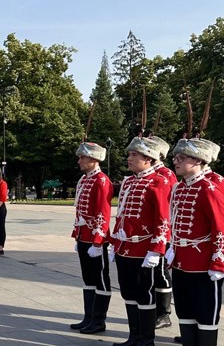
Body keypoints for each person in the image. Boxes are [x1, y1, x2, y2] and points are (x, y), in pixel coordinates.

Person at [166, 137, 224, 346]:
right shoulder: (178, 188)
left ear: (198, 161)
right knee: (184, 311)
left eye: (182, 157)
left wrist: (219, 262)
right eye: (175, 157)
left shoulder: (209, 189)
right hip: (181, 262)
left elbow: (222, 228)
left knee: (206, 315)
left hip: (203, 264)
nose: (175, 161)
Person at [110, 137, 171, 346]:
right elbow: (121, 215)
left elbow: (163, 218)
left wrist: (157, 249)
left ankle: (146, 340)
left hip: (144, 249)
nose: (129, 158)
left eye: (133, 154)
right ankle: (133, 336)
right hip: (125, 248)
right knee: (128, 293)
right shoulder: (128, 181)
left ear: (148, 159)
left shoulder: (159, 181)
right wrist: (114, 242)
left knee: (145, 294)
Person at [70, 142, 113, 335]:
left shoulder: (101, 181)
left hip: (96, 240)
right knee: (88, 279)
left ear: (94, 159)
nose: (79, 161)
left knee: (100, 279)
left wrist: (98, 242)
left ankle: (98, 320)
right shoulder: (84, 179)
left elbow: (103, 213)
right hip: (83, 236)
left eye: (83, 158)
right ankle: (88, 317)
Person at [146, 135, 178, 330]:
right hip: (145, 234)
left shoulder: (165, 174)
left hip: (162, 233)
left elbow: (166, 208)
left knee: (161, 273)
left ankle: (164, 313)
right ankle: (150, 310)